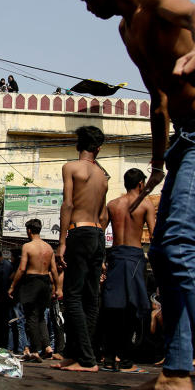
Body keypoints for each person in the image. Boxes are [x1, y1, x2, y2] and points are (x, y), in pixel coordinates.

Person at [62, 0, 195, 390]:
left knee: (180, 244)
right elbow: (159, 101)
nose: (86, 6)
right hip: (184, 140)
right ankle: (176, 375)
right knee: (162, 253)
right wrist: (160, 163)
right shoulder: (126, 30)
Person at [54, 125, 108, 372]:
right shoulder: (103, 176)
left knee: (73, 295)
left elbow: (67, 204)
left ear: (78, 145)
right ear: (98, 148)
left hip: (80, 231)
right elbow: (104, 215)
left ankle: (87, 359)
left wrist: (63, 241)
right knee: (90, 297)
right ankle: (76, 355)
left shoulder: (71, 168)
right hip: (98, 233)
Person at [102, 168, 155, 373]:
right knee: (132, 309)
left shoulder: (113, 204)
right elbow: (153, 235)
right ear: (141, 184)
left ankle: (108, 357)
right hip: (133, 257)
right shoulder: (145, 204)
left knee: (112, 308)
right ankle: (125, 360)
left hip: (115, 255)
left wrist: (101, 261)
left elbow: (100, 229)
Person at [8, 218, 56, 361]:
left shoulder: (28, 247)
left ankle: (35, 350)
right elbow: (53, 270)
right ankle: (47, 346)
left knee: (31, 317)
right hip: (45, 282)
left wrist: (12, 286)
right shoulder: (49, 248)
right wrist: (57, 288)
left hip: (32, 282)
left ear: (29, 230)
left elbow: (22, 268)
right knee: (40, 316)